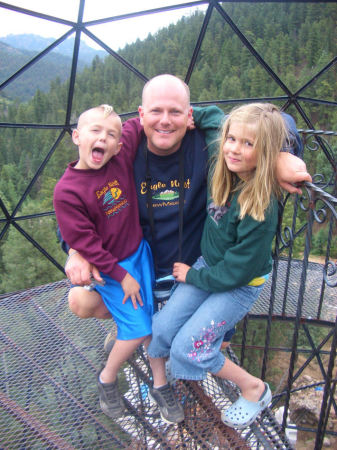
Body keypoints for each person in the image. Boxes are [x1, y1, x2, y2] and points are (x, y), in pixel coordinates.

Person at [60, 75, 311, 424]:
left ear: (189, 115)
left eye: (175, 112)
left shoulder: (212, 145)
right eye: (156, 112)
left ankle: (164, 357)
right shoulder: (123, 149)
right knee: (81, 301)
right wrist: (73, 249)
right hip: (144, 269)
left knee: (197, 343)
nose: (165, 120)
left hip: (200, 270)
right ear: (141, 115)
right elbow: (77, 197)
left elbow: (278, 122)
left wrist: (282, 154)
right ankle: (135, 337)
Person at [146, 103, 289, 429]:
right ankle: (185, 363)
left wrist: (195, 276)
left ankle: (254, 388)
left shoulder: (260, 208)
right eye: (232, 139)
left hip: (238, 285)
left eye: (248, 143)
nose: (235, 149)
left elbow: (237, 271)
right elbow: (214, 119)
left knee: (188, 348)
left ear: (265, 152)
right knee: (162, 329)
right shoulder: (222, 167)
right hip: (209, 266)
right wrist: (187, 112)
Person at [53, 105, 155, 420]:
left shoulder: (120, 157)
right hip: (114, 268)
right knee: (141, 327)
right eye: (95, 131)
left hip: (140, 254)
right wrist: (118, 274)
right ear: (76, 136)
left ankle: (157, 384)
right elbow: (82, 240)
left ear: (119, 144)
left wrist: (192, 115)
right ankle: (108, 377)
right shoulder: (68, 190)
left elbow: (143, 120)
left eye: (111, 134)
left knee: (148, 323)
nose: (103, 138)